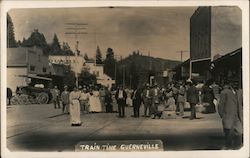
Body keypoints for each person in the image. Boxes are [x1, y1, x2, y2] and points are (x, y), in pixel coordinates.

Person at [218, 81, 243, 149]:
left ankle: (237, 147)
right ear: (230, 84)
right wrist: (222, 115)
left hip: (238, 117)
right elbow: (221, 105)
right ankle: (229, 148)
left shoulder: (240, 92)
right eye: (234, 83)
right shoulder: (225, 92)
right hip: (228, 116)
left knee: (240, 132)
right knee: (229, 134)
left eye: (237, 83)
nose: (236, 84)